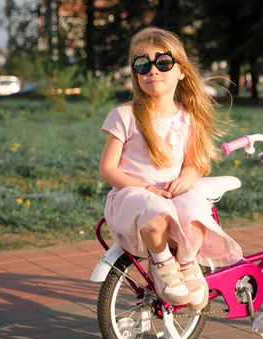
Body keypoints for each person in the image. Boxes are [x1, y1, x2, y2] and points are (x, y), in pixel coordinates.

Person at [99, 27, 243, 312]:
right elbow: (107, 169)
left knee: (195, 207)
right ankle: (164, 263)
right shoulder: (124, 115)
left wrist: (188, 177)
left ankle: (189, 264)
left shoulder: (187, 117)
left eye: (162, 62)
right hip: (134, 196)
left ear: (181, 71)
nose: (152, 70)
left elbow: (193, 163)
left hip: (171, 194)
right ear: (136, 74)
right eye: (142, 64)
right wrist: (148, 188)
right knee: (154, 212)